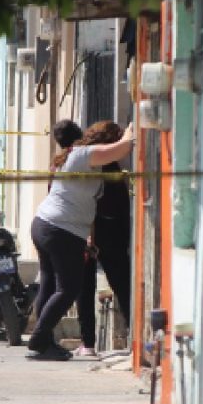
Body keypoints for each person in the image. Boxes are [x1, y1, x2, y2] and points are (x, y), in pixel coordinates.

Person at [28, 120, 135, 360]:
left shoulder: (73, 156)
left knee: (50, 284)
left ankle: (44, 342)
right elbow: (124, 148)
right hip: (61, 230)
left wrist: (90, 237)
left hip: (45, 224)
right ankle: (39, 339)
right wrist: (130, 130)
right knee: (69, 289)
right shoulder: (86, 155)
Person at [75, 127, 131, 357]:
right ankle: (133, 334)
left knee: (85, 288)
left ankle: (87, 343)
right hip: (104, 232)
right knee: (122, 286)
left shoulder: (90, 164)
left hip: (92, 231)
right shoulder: (105, 167)